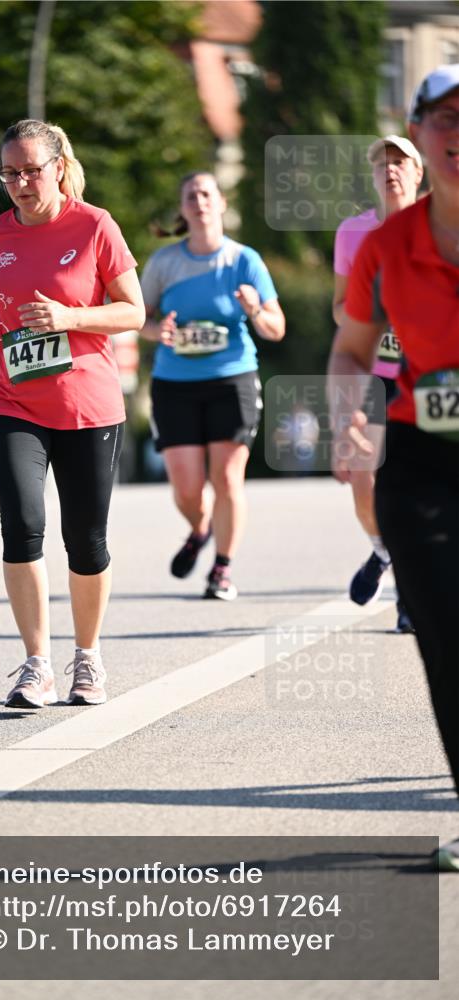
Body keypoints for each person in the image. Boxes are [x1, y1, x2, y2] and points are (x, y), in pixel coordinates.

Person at [0, 119, 144, 709]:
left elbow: (132, 312)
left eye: (30, 170)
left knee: (86, 540)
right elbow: (1, 305)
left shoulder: (94, 225)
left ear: (59, 167)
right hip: (7, 396)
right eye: (9, 173)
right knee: (21, 525)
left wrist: (70, 318)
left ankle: (87, 656)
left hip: (86, 403)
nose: (19, 182)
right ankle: (36, 664)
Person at [328, 65, 459, 871]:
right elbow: (348, 352)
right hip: (419, 459)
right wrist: (350, 409)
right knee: (444, 636)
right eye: (443, 118)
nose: (457, 134)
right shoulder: (382, 248)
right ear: (416, 134)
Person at [139, 172, 285, 600]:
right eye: (191, 195)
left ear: (221, 203)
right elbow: (138, 318)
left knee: (226, 478)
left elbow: (276, 328)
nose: (199, 201)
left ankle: (221, 568)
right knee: (186, 488)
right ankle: (199, 529)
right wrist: (157, 330)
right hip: (175, 382)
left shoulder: (245, 261)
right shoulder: (165, 263)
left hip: (232, 378)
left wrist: (256, 310)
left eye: (206, 193)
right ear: (183, 208)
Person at [333, 135, 423, 632]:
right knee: (365, 482)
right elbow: (338, 306)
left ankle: (410, 596)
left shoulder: (441, 226)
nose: (390, 171)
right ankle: (382, 549)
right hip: (374, 371)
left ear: (418, 174)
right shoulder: (353, 233)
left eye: (400, 163)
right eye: (381, 164)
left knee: (418, 483)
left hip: (430, 374)